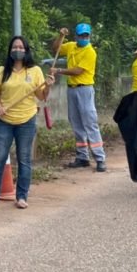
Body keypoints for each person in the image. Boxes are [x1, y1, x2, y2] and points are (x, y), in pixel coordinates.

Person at [0, 36, 55, 209]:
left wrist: (48, 86)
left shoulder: (35, 71)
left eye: (21, 47)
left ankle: (21, 196)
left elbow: (41, 96)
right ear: (10, 50)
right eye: (15, 47)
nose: (18, 50)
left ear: (26, 50)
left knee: (24, 159)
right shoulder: (2, 71)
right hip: (4, 120)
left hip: (27, 120)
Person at [52, 23, 106, 172]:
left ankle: (100, 158)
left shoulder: (90, 52)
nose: (84, 38)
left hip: (85, 89)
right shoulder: (71, 46)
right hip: (71, 89)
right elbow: (56, 49)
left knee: (90, 123)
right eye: (81, 35)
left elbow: (77, 71)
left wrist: (58, 70)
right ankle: (82, 157)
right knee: (76, 123)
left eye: (86, 36)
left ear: (89, 36)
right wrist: (61, 36)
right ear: (76, 36)